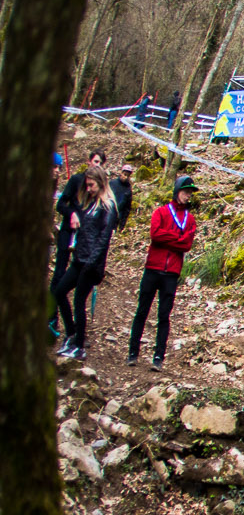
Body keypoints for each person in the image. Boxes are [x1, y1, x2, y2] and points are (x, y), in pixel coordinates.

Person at [129, 176, 199, 370]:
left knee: (164, 315)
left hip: (171, 273)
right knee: (142, 311)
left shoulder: (190, 219)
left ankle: (158, 357)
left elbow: (186, 244)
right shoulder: (160, 212)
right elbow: (155, 235)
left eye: (190, 193)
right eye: (185, 192)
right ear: (177, 191)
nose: (188, 196)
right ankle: (133, 353)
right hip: (153, 268)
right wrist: (177, 237)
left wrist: (170, 238)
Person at [52, 166, 117, 360]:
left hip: (92, 265)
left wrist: (92, 262)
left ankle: (79, 346)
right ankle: (71, 334)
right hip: (79, 259)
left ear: (101, 183)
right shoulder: (90, 203)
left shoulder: (107, 207)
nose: (88, 189)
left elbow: (103, 239)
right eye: (87, 185)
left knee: (79, 302)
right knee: (59, 292)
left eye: (91, 185)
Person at [50, 149, 108, 330]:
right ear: (89, 161)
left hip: (85, 241)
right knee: (59, 274)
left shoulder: (100, 191)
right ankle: (52, 317)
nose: (98, 165)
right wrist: (72, 214)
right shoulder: (76, 180)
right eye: (95, 161)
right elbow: (61, 204)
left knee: (78, 286)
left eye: (101, 163)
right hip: (68, 232)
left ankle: (76, 327)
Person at [110, 160, 135, 230]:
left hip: (116, 219)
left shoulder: (128, 189)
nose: (126, 177)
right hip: (107, 215)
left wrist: (122, 224)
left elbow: (127, 208)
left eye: (128, 176)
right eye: (125, 174)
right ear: (121, 173)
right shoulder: (112, 184)